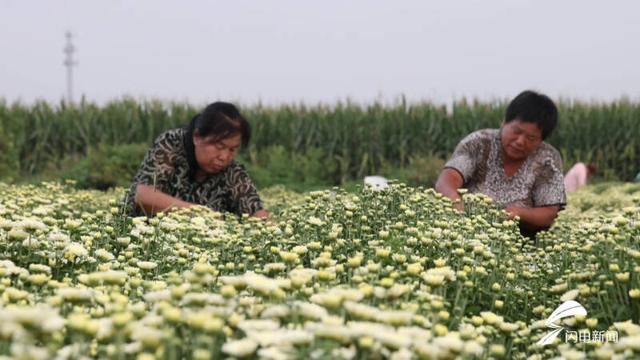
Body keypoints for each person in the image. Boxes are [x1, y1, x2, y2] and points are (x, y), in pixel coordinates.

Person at [435, 90, 565, 236]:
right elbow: (446, 181)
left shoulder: (548, 158)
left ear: (541, 140)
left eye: (531, 137)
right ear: (504, 122)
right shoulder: (478, 143)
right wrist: (456, 203)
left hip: (521, 240)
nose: (520, 141)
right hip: (467, 232)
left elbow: (549, 214)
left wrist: (517, 213)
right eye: (517, 131)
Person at [124, 101, 269, 219]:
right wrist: (202, 214)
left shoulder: (232, 172)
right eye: (219, 146)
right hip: (141, 237)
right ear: (197, 137)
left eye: (232, 149)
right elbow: (144, 195)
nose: (224, 157)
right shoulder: (171, 145)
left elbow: (257, 212)